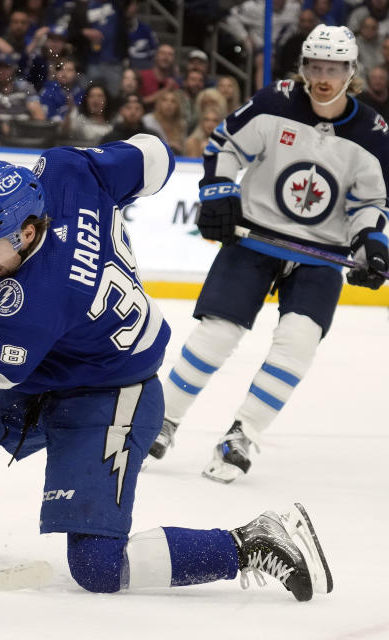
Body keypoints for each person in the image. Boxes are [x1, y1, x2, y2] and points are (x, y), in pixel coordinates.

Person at [0, 138, 333, 602]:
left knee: (98, 567)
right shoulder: (65, 170)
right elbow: (154, 156)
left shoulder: (33, 300)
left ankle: (250, 541)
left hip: (113, 391)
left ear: (29, 231)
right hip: (65, 362)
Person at [149, 25, 389, 483]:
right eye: (315, 67)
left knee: (298, 342)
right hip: (255, 237)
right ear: (302, 68)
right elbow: (225, 145)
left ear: (351, 71)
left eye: (334, 69)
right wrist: (219, 193)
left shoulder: (372, 133)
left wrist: (371, 243)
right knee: (215, 335)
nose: (323, 78)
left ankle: (243, 433)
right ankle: (162, 420)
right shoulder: (275, 103)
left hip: (323, 255)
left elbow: (371, 203)